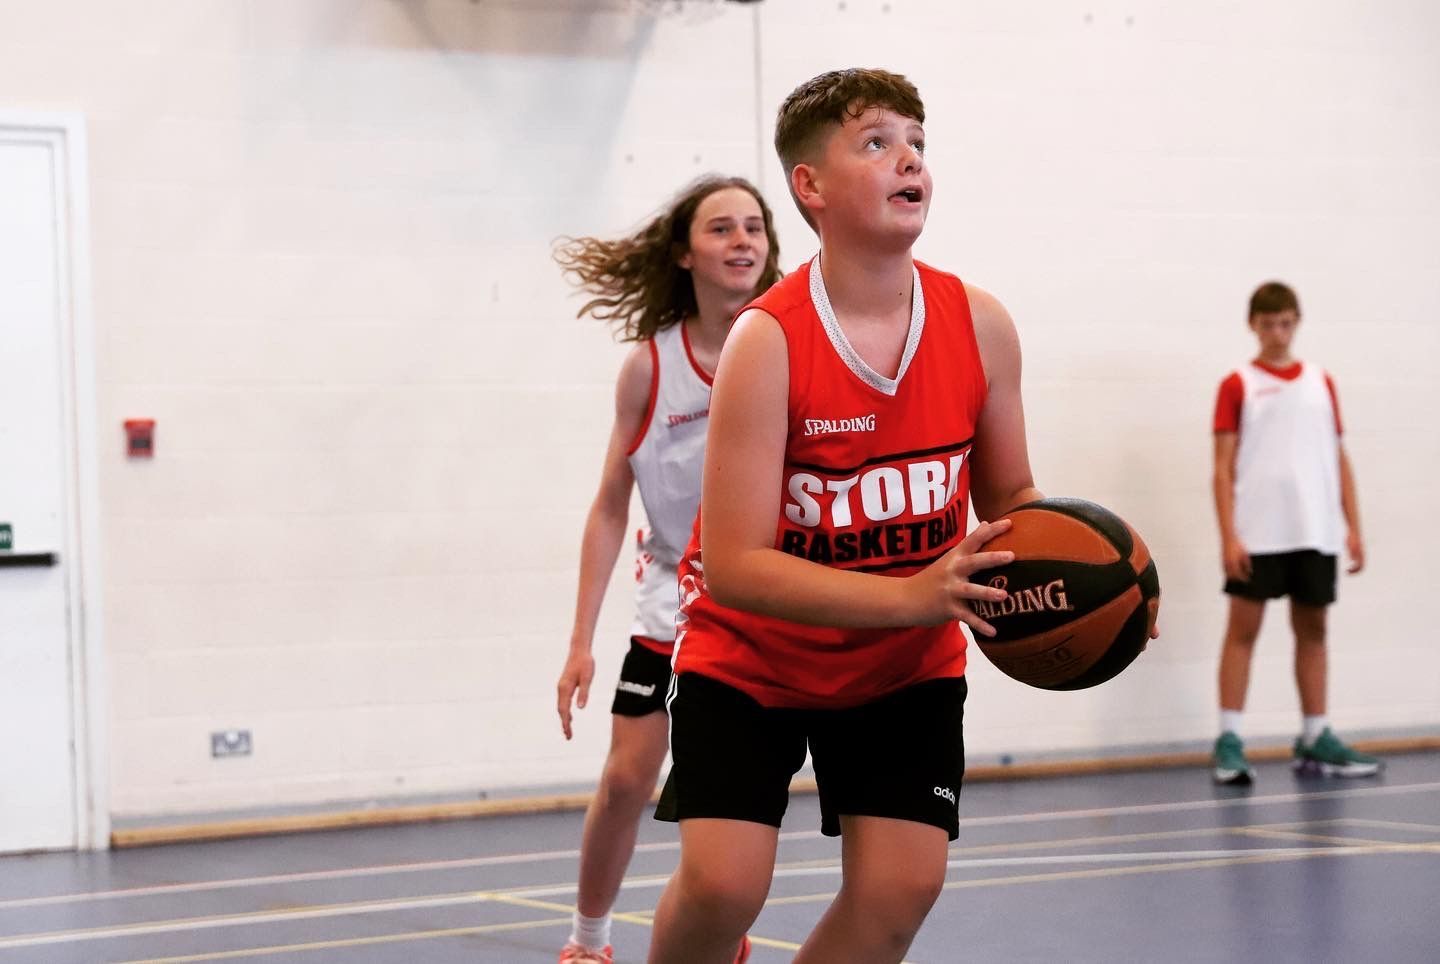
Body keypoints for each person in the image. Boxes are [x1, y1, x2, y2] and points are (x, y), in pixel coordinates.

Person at [647, 68, 1160, 964]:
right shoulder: (769, 340)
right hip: (753, 657)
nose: (909, 158)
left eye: (917, 142)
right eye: (877, 142)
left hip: (902, 667)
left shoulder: (980, 324)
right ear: (810, 185)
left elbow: (1011, 498)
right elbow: (734, 564)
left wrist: (1101, 585)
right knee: (725, 885)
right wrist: (915, 596)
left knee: (900, 891)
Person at [552, 175, 782, 964]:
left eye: (754, 226)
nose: (742, 240)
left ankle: (718, 925)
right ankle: (588, 940)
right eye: (722, 228)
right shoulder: (653, 368)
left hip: (767, 608)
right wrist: (580, 642)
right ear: (685, 253)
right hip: (672, 609)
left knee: (727, 793)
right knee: (626, 781)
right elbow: (610, 507)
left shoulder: (793, 346)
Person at [1210, 281, 1378, 785]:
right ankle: (1229, 739)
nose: (1278, 334)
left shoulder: (1321, 382)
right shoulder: (1237, 384)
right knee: (1243, 632)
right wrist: (1228, 536)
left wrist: (1353, 526)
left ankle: (1315, 735)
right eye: (1268, 325)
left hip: (1315, 530)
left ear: (1296, 321)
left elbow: (1338, 457)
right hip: (1258, 532)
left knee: (1314, 632)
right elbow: (1221, 469)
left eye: (1285, 323)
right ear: (1253, 325)